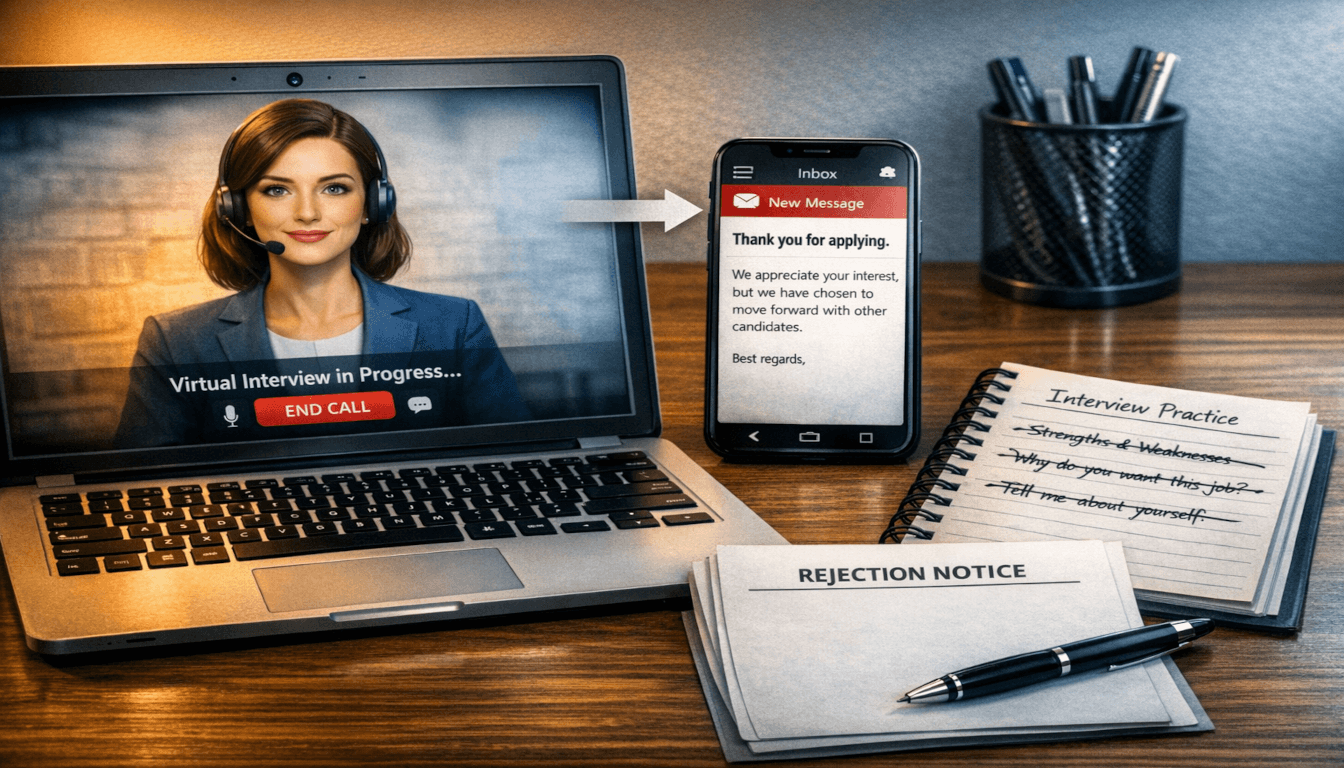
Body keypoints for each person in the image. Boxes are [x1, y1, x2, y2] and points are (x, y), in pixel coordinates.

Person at [115, 99, 528, 447]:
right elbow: (139, 484)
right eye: (276, 189)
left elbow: (517, 458)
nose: (308, 213)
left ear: (373, 203)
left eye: (335, 188)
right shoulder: (176, 341)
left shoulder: (455, 326)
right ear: (238, 209)